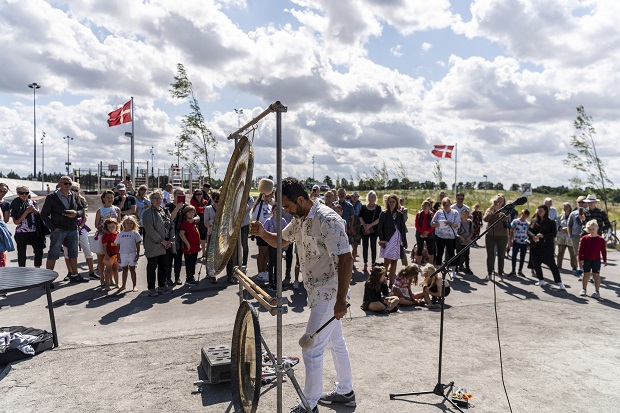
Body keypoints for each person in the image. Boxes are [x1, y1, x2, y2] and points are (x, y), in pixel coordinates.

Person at [250, 177, 355, 413]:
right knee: (336, 342)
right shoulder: (300, 218)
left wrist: (341, 300)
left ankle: (309, 405)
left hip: (330, 292)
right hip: (316, 290)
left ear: (300, 199)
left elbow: (346, 258)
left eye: (287, 207)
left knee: (311, 347)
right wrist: (263, 233)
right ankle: (345, 392)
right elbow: (282, 241)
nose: (286, 212)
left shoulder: (327, 219)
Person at [40, 176, 85, 282]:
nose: (68, 186)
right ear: (60, 184)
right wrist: (53, 228)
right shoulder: (52, 197)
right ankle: (48, 280)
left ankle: (74, 275)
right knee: (53, 254)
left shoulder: (74, 196)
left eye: (70, 184)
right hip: (58, 230)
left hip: (72, 229)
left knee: (73, 253)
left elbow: (82, 210)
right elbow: (44, 214)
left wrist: (76, 213)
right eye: (65, 183)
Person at [142, 191, 174, 297]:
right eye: (155, 198)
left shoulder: (165, 210)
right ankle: (151, 288)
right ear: (150, 200)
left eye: (159, 198)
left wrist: (170, 239)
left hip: (166, 244)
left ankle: (162, 285)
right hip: (154, 244)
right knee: (152, 266)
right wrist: (162, 241)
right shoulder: (147, 213)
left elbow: (171, 225)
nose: (157, 201)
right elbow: (150, 230)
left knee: (163, 266)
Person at [529, 205, 565, 290]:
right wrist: (533, 236)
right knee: (536, 264)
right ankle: (541, 280)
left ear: (545, 211)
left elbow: (553, 234)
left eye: (541, 210)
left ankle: (559, 282)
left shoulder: (551, 222)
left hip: (546, 247)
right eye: (538, 210)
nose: (539, 212)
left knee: (552, 265)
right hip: (535, 246)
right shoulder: (534, 221)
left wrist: (543, 236)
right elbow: (529, 231)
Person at [10, 186, 45, 268]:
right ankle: (22, 271)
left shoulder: (32, 202)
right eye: (22, 193)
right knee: (22, 253)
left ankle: (37, 269)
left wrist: (34, 210)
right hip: (21, 232)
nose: (24, 195)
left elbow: (38, 214)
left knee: (39, 250)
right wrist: (26, 211)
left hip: (34, 230)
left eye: (26, 193)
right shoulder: (15, 204)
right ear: (18, 193)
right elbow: (16, 222)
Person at [377, 194, 408, 288]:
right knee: (386, 262)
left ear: (396, 203)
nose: (391, 203)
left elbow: (402, 228)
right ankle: (383, 281)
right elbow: (380, 227)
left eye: (393, 202)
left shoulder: (400, 214)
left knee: (394, 261)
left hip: (397, 239)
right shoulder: (384, 213)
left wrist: (404, 242)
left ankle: (391, 283)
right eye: (390, 202)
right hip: (388, 239)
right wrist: (382, 240)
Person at [93, 190, 121, 283]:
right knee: (101, 258)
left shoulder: (117, 209)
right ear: (103, 198)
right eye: (108, 197)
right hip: (103, 236)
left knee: (113, 257)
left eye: (111, 197)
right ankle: (102, 278)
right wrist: (104, 230)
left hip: (114, 237)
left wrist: (115, 232)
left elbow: (119, 223)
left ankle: (111, 278)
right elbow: (96, 224)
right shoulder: (100, 210)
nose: (110, 199)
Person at [431, 197, 460, 279]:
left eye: (447, 205)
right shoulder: (439, 212)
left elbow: (458, 224)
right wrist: (439, 224)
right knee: (439, 253)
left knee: (451, 253)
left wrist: (451, 224)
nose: (446, 206)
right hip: (440, 235)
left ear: (450, 204)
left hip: (450, 236)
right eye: (444, 205)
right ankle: (437, 270)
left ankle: (453, 271)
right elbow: (432, 223)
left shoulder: (455, 213)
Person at [165, 188, 190, 286]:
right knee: (168, 259)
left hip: (181, 237)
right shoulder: (168, 206)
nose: (180, 196)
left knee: (178, 259)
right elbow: (170, 218)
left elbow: (196, 216)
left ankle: (177, 277)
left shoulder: (186, 207)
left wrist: (195, 219)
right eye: (178, 194)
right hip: (170, 236)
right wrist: (177, 208)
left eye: (182, 194)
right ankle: (168, 278)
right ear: (174, 196)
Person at [482, 194, 509, 280]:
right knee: (490, 255)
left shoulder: (505, 210)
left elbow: (506, 219)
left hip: (502, 236)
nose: (499, 202)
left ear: (503, 202)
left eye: (501, 201)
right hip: (490, 235)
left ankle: (500, 273)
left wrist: (502, 215)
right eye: (498, 200)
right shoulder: (490, 209)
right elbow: (485, 219)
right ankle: (490, 273)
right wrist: (491, 211)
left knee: (501, 255)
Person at [578, 220, 607, 298]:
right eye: (590, 229)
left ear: (597, 228)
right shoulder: (584, 238)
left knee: (596, 275)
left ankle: (597, 291)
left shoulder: (601, 240)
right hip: (586, 259)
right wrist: (580, 260)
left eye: (593, 229)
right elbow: (580, 250)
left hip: (596, 260)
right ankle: (584, 289)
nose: (591, 231)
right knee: (586, 274)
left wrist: (605, 260)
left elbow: (603, 250)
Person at [263, 205, 288, 290]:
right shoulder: (269, 221)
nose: (278, 211)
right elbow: (264, 232)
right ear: (273, 210)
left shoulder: (283, 220)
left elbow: (286, 231)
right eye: (276, 209)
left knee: (278, 263)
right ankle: (271, 282)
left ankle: (278, 282)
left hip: (280, 245)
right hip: (271, 245)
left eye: (280, 210)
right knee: (271, 263)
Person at [250, 191, 273, 282]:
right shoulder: (259, 206)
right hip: (261, 232)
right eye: (267, 196)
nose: (269, 198)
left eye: (270, 196)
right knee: (262, 253)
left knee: (267, 253)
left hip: (269, 232)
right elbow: (256, 218)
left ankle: (264, 271)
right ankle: (260, 272)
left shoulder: (270, 206)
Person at [116, 216, 142, 292]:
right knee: (124, 270)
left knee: (132, 269)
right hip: (123, 254)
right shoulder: (120, 234)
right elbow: (118, 245)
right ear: (123, 224)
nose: (129, 225)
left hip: (132, 254)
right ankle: (123, 285)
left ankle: (134, 286)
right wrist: (118, 256)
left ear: (133, 224)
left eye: (131, 223)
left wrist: (137, 254)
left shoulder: (135, 233)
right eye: (127, 223)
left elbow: (138, 244)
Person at [178, 205, 201, 285]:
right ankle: (189, 278)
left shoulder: (194, 221)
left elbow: (198, 218)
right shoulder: (185, 223)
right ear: (186, 214)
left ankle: (192, 276)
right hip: (189, 247)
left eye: (193, 212)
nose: (191, 214)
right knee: (189, 263)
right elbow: (181, 234)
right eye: (189, 212)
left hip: (195, 246)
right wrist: (187, 244)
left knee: (194, 262)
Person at [359, 191, 381, 272]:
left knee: (373, 247)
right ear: (368, 197)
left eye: (374, 196)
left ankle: (373, 264)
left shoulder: (378, 208)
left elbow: (379, 219)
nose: (372, 198)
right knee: (365, 247)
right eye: (371, 196)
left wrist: (370, 225)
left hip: (374, 230)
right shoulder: (364, 207)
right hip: (365, 230)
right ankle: (365, 263)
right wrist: (365, 226)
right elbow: (360, 217)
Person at [568, 196, 587, 277]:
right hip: (576, 236)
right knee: (578, 254)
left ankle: (587, 270)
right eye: (579, 202)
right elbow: (569, 225)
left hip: (586, 236)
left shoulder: (589, 212)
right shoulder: (573, 213)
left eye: (583, 202)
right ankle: (580, 269)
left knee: (587, 254)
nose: (581, 204)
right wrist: (570, 235)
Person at [508, 209, 530, 277]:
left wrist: (529, 243)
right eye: (523, 214)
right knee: (514, 256)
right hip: (516, 241)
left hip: (524, 242)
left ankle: (520, 270)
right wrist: (510, 240)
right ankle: (513, 270)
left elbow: (529, 233)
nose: (523, 216)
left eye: (525, 215)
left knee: (522, 257)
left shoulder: (527, 224)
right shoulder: (515, 221)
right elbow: (511, 231)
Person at [557, 202, 578, 271]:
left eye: (567, 206)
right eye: (564, 206)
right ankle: (558, 265)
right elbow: (556, 224)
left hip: (570, 237)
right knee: (560, 252)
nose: (565, 208)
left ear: (570, 208)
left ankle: (574, 266)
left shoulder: (573, 216)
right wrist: (560, 228)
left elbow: (576, 225)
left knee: (572, 253)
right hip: (562, 237)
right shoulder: (560, 217)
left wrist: (569, 229)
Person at [414, 200, 435, 266]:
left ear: (429, 207)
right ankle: (419, 265)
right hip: (420, 234)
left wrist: (427, 232)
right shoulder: (418, 214)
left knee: (431, 250)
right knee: (419, 249)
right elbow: (416, 224)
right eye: (423, 205)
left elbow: (433, 225)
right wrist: (422, 232)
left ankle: (431, 265)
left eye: (427, 205)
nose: (425, 207)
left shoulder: (432, 215)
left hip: (429, 234)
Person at [101, 218, 120, 291]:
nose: (111, 228)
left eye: (113, 226)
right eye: (109, 227)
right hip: (109, 255)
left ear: (116, 226)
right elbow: (104, 246)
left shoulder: (119, 234)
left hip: (116, 255)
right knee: (108, 270)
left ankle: (117, 283)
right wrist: (105, 254)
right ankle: (107, 285)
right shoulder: (106, 236)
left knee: (115, 269)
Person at [189, 189, 208, 258]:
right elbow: (195, 209)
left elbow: (207, 208)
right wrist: (203, 209)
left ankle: (204, 252)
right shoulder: (192, 201)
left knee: (203, 236)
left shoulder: (205, 201)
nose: (199, 196)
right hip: (196, 221)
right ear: (194, 195)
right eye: (197, 194)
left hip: (203, 221)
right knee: (196, 236)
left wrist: (202, 209)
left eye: (200, 194)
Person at [456, 208, 473, 275]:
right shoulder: (459, 222)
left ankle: (467, 268)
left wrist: (469, 237)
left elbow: (471, 231)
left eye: (466, 214)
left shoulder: (470, 222)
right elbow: (456, 232)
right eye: (463, 214)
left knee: (466, 255)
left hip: (467, 241)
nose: (465, 215)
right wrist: (460, 237)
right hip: (460, 240)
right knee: (458, 255)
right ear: (461, 214)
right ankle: (456, 267)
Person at [349, 191, 363, 261]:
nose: (354, 198)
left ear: (358, 197)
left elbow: (361, 217)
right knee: (347, 246)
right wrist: (351, 227)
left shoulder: (360, 205)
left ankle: (353, 262)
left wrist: (356, 227)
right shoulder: (348, 204)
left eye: (356, 196)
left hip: (357, 227)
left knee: (355, 245)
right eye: (353, 196)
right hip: (348, 227)